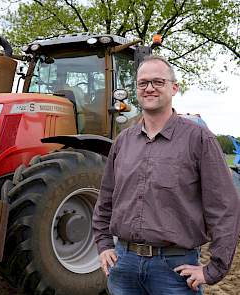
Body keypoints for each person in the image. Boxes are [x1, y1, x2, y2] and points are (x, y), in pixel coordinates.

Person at [92, 55, 240, 295]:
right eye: (143, 83)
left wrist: (214, 269)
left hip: (174, 270)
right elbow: (106, 198)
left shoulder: (198, 139)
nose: (149, 88)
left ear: (174, 88)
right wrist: (103, 244)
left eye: (158, 82)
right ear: (136, 89)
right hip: (124, 266)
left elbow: (225, 206)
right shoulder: (123, 141)